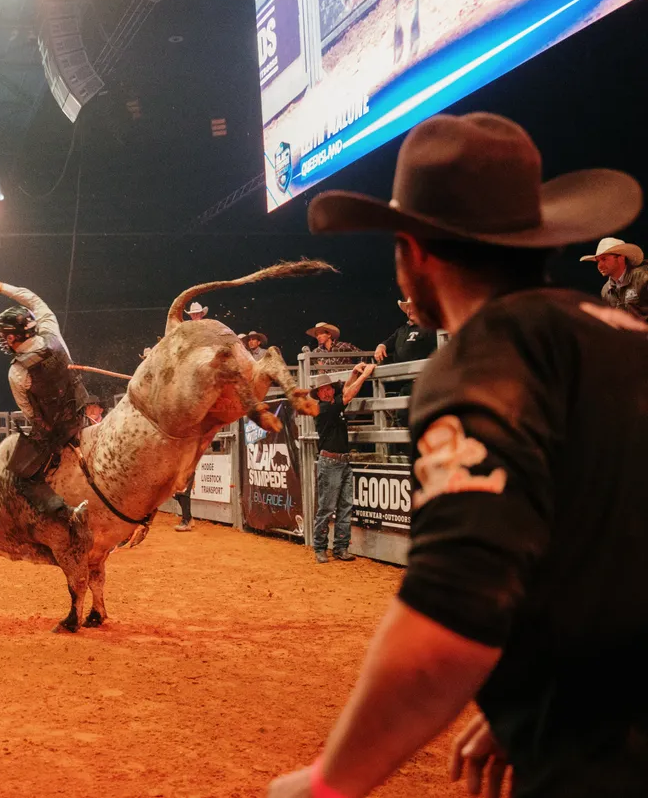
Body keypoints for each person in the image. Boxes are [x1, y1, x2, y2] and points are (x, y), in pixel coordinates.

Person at [267, 113, 648, 798]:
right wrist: (536, 701)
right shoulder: (617, 336)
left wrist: (332, 780)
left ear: (417, 252)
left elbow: (453, 611)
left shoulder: (486, 357)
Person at [0, 276, 88, 519]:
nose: (3, 339)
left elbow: (30, 412)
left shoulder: (18, 372)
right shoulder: (52, 333)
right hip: (80, 411)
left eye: (5, 335)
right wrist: (2, 287)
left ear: (13, 338)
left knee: (19, 475)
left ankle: (62, 515)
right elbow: (34, 299)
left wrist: (45, 429)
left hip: (56, 431)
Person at [310, 362, 375, 563]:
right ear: (319, 395)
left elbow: (345, 394)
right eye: (323, 390)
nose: (327, 391)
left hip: (340, 461)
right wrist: (364, 376)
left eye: (328, 388)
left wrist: (355, 373)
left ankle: (340, 547)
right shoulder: (324, 409)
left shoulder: (329, 406)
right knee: (328, 507)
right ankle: (321, 547)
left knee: (344, 506)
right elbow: (347, 396)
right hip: (331, 461)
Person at [580, 236, 648, 321]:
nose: (599, 265)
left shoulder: (644, 277)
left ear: (621, 258)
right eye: (598, 261)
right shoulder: (605, 291)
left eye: (604, 259)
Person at [373, 299, 438, 365]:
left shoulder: (429, 328)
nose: (410, 311)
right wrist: (381, 346)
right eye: (408, 308)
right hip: (398, 371)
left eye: (414, 308)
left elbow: (436, 351)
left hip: (418, 371)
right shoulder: (401, 330)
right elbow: (388, 342)